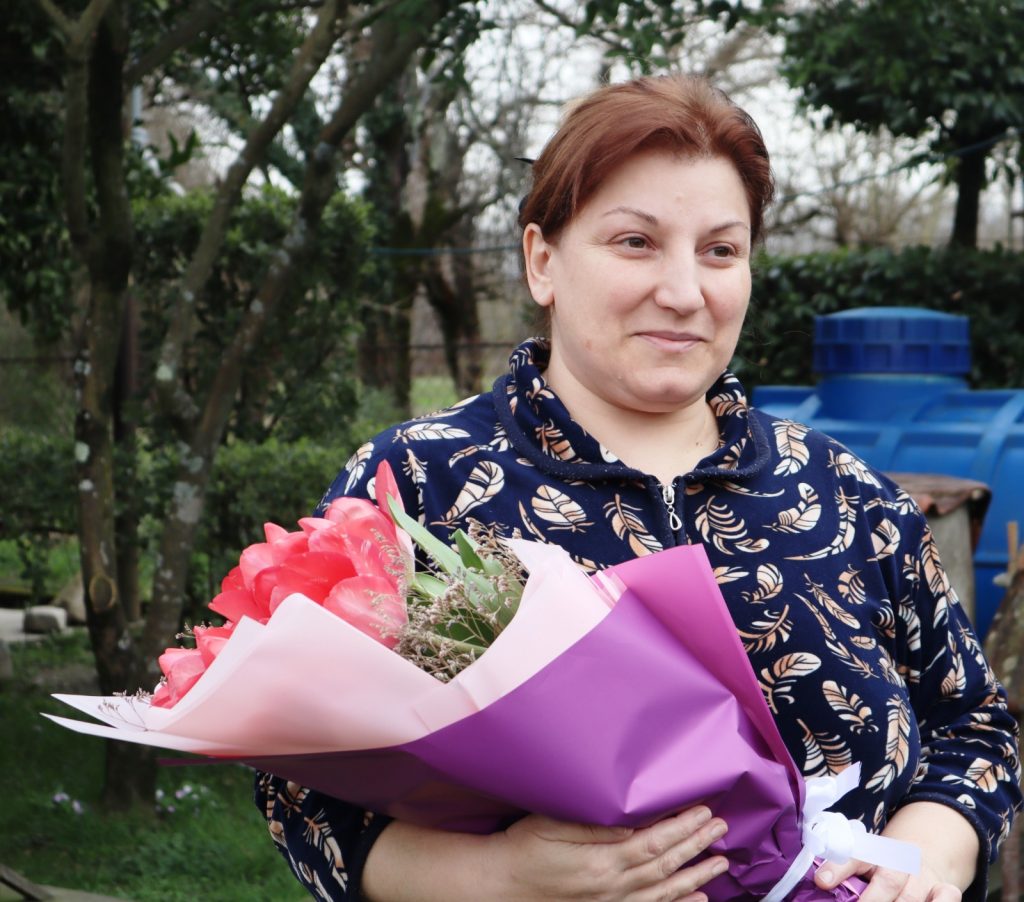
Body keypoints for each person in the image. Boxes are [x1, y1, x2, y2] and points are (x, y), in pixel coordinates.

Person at [256, 74, 1021, 901]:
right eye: (635, 242)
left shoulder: (846, 494)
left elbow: (972, 726)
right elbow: (303, 788)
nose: (685, 292)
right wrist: (501, 876)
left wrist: (923, 858)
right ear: (542, 260)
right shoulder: (418, 484)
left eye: (720, 251)